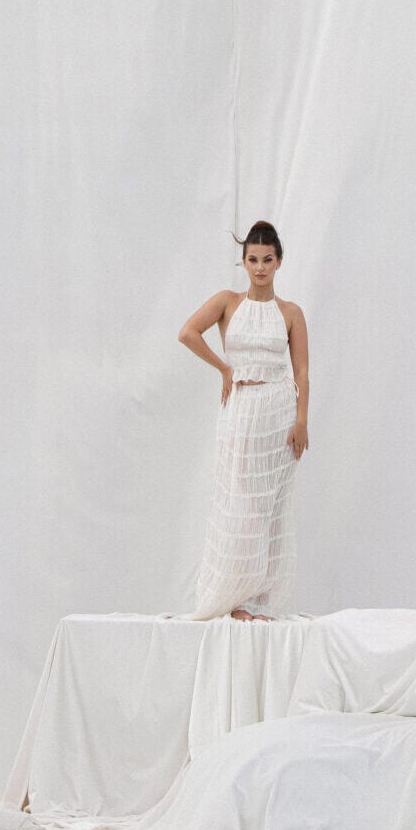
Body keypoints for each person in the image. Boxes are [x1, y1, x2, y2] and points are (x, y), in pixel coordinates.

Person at [175, 221, 310, 620]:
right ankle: (233, 599)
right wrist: (224, 368)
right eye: (253, 260)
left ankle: (262, 601)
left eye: (267, 259)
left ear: (279, 261)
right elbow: (187, 333)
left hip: (279, 413)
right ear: (244, 261)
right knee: (240, 501)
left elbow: (302, 371)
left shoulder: (291, 313)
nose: (260, 268)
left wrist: (302, 420)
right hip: (240, 410)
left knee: (272, 506)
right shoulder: (227, 302)